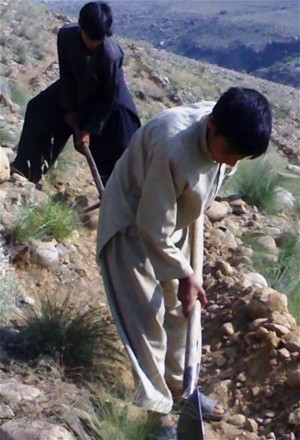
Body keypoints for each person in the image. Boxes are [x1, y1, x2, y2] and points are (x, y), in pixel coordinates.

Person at [96, 87, 272, 440]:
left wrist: (185, 274)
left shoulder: (226, 126)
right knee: (147, 322)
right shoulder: (172, 145)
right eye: (230, 153)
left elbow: (185, 198)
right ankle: (157, 413)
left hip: (174, 217)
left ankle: (182, 389)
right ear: (211, 125)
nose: (232, 163)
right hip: (133, 224)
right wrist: (187, 274)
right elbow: (151, 224)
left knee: (181, 312)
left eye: (240, 157)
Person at [11, 1, 140, 184]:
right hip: (77, 87)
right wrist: (70, 107)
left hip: (109, 101)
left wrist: (89, 129)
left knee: (119, 145)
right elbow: (67, 74)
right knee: (38, 108)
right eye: (90, 38)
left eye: (98, 40)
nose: (94, 43)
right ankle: (29, 168)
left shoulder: (111, 55)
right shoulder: (66, 36)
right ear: (81, 27)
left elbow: (108, 97)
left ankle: (115, 192)